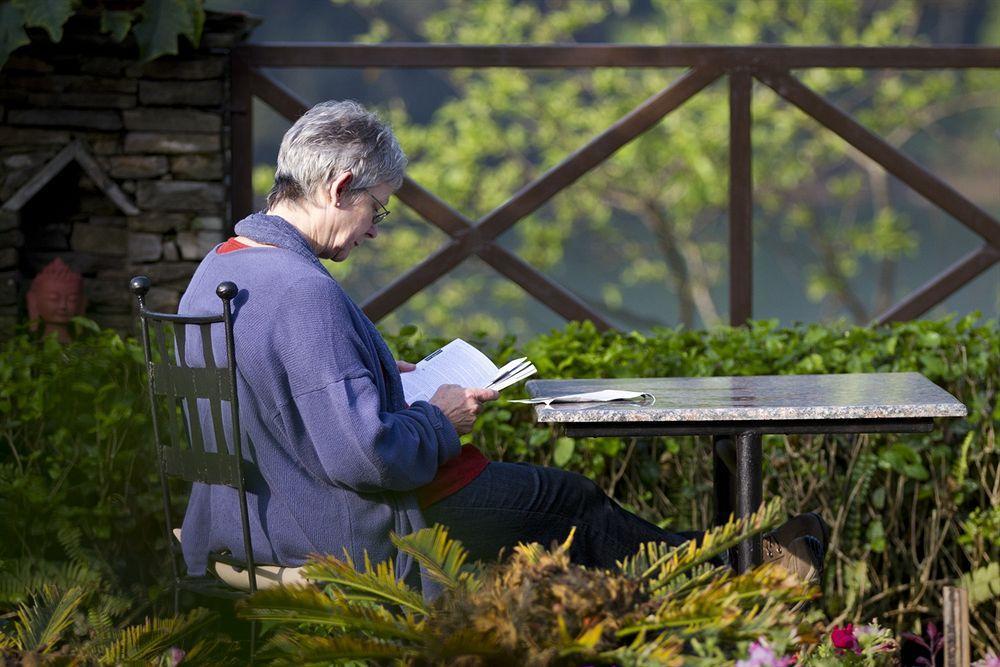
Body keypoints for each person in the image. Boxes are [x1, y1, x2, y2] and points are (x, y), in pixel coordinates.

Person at [177, 100, 827, 593]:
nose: (375, 229)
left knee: (560, 513)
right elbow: (368, 458)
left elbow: (284, 393)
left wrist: (377, 372)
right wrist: (443, 416)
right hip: (341, 530)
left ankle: (750, 564)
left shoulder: (222, 266)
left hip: (247, 519)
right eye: (378, 208)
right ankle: (749, 574)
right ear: (341, 187)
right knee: (571, 503)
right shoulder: (305, 292)